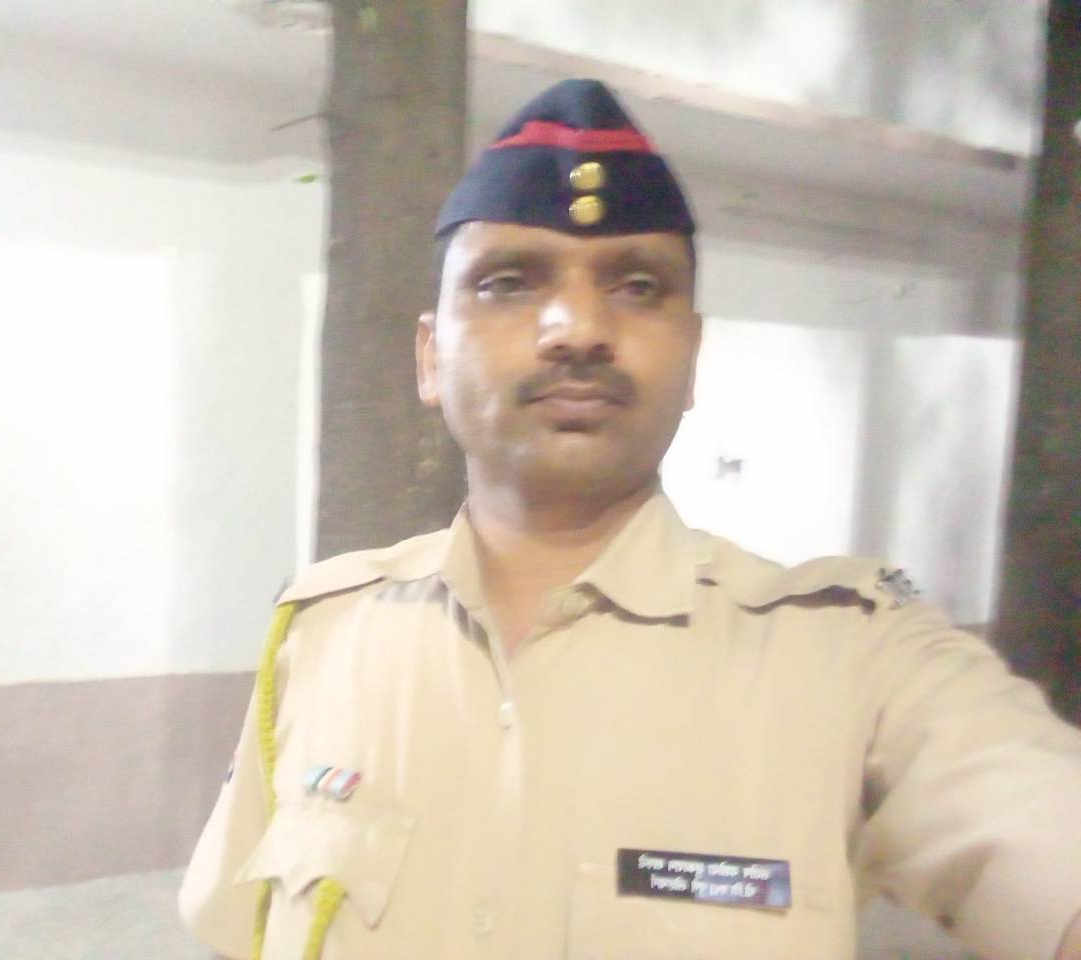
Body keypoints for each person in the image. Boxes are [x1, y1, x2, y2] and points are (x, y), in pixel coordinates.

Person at [179, 79, 1081, 960]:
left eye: (639, 286)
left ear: (691, 358)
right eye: (508, 282)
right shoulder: (322, 635)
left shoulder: (855, 657)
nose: (578, 327)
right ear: (429, 357)